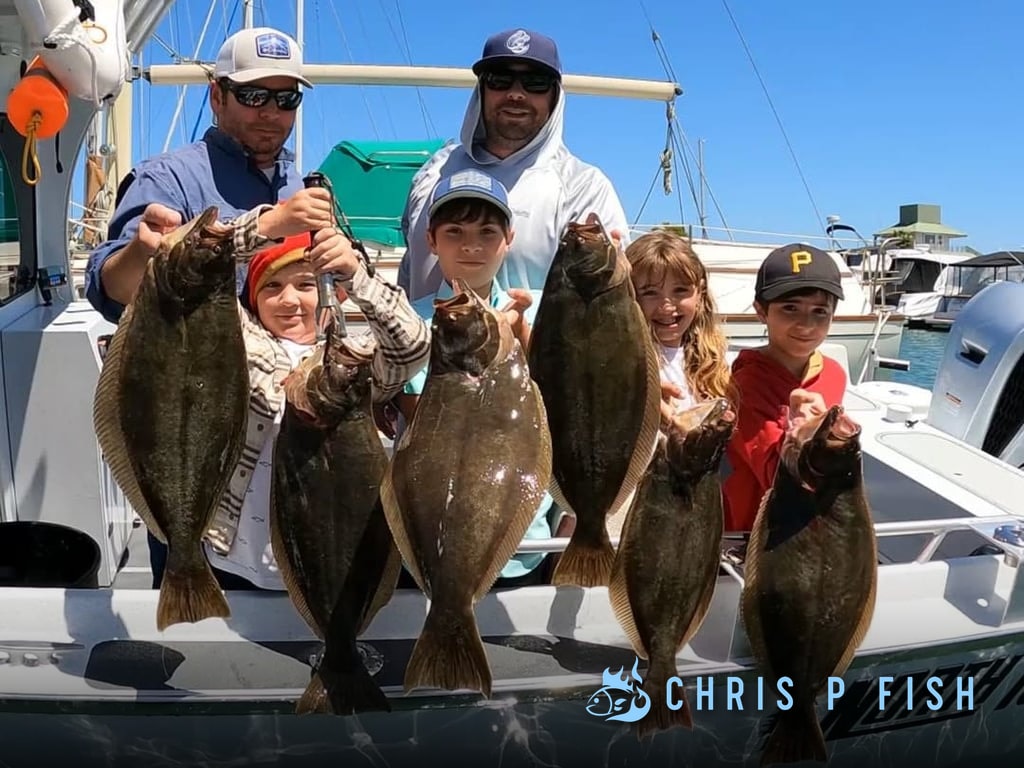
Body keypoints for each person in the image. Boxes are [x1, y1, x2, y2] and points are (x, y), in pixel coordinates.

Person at [144, 224, 431, 590]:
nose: (290, 300)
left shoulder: (356, 363)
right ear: (253, 299)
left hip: (330, 560)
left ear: (333, 294)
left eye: (307, 285)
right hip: (237, 563)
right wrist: (270, 226)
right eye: (272, 287)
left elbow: (413, 343)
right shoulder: (241, 346)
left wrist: (354, 273)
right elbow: (189, 272)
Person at [85, 26, 333, 323]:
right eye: (253, 96)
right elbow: (115, 292)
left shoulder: (294, 183)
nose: (270, 112)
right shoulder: (166, 178)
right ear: (217, 97)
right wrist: (142, 253)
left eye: (286, 99)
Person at [395, 168, 555, 588]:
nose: (471, 245)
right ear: (430, 239)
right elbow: (419, 423)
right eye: (454, 231)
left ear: (509, 238)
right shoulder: (407, 322)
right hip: (434, 537)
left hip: (520, 542)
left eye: (487, 231)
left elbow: (562, 409)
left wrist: (522, 341)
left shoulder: (541, 316)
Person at [398, 27, 630, 302]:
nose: (516, 94)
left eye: (535, 82)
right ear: (481, 89)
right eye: (500, 79)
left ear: (555, 96)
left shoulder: (584, 187)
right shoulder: (434, 171)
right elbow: (409, 272)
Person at [721, 243, 848, 536]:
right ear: (761, 311)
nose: (806, 324)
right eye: (790, 308)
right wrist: (800, 434)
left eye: (820, 311)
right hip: (754, 533)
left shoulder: (834, 374)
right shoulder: (747, 384)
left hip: (811, 524)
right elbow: (774, 477)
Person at [625, 231, 736, 427]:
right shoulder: (620, 363)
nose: (666, 306)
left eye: (680, 290)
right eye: (650, 293)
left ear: (699, 293)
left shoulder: (720, 364)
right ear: (630, 296)